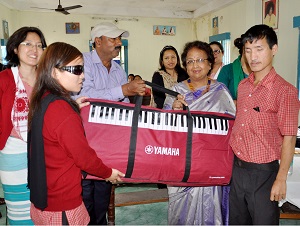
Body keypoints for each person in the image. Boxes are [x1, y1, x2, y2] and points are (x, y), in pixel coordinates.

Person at [27, 42, 124, 225]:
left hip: (42, 198)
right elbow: (83, 158)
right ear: (55, 72)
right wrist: (108, 173)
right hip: (62, 205)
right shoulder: (62, 111)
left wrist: (72, 108)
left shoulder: (43, 99)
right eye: (77, 69)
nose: (83, 76)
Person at [72, 22, 145, 225]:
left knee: (103, 194)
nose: (119, 43)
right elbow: (84, 97)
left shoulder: (118, 69)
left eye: (119, 39)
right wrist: (122, 90)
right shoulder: (83, 62)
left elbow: (124, 103)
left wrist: (132, 97)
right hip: (85, 139)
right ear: (98, 41)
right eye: (113, 39)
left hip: (109, 144)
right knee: (85, 194)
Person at [229, 24, 299, 225]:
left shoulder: (285, 91)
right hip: (237, 169)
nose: (253, 57)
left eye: (259, 49)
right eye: (248, 50)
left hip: (264, 174)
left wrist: (281, 178)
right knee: (237, 221)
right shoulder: (243, 86)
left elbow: (289, 137)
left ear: (273, 49)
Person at [164, 40, 236, 225]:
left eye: (200, 60)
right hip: (183, 163)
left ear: (210, 63)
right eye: (190, 61)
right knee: (182, 212)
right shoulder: (176, 91)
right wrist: (174, 111)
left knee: (211, 209)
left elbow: (231, 128)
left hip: (211, 163)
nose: (195, 65)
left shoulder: (221, 91)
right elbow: (163, 130)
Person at [0, 26, 47, 225]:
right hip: (14, 152)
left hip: (45, 152)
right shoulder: (3, 80)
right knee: (19, 210)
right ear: (15, 49)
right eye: (27, 44)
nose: (34, 49)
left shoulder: (48, 80)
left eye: (39, 45)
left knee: (44, 208)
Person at [217, 35, 251, 104]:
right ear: (242, 50)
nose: (253, 54)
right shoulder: (227, 70)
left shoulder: (259, 71)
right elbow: (219, 97)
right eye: (248, 50)